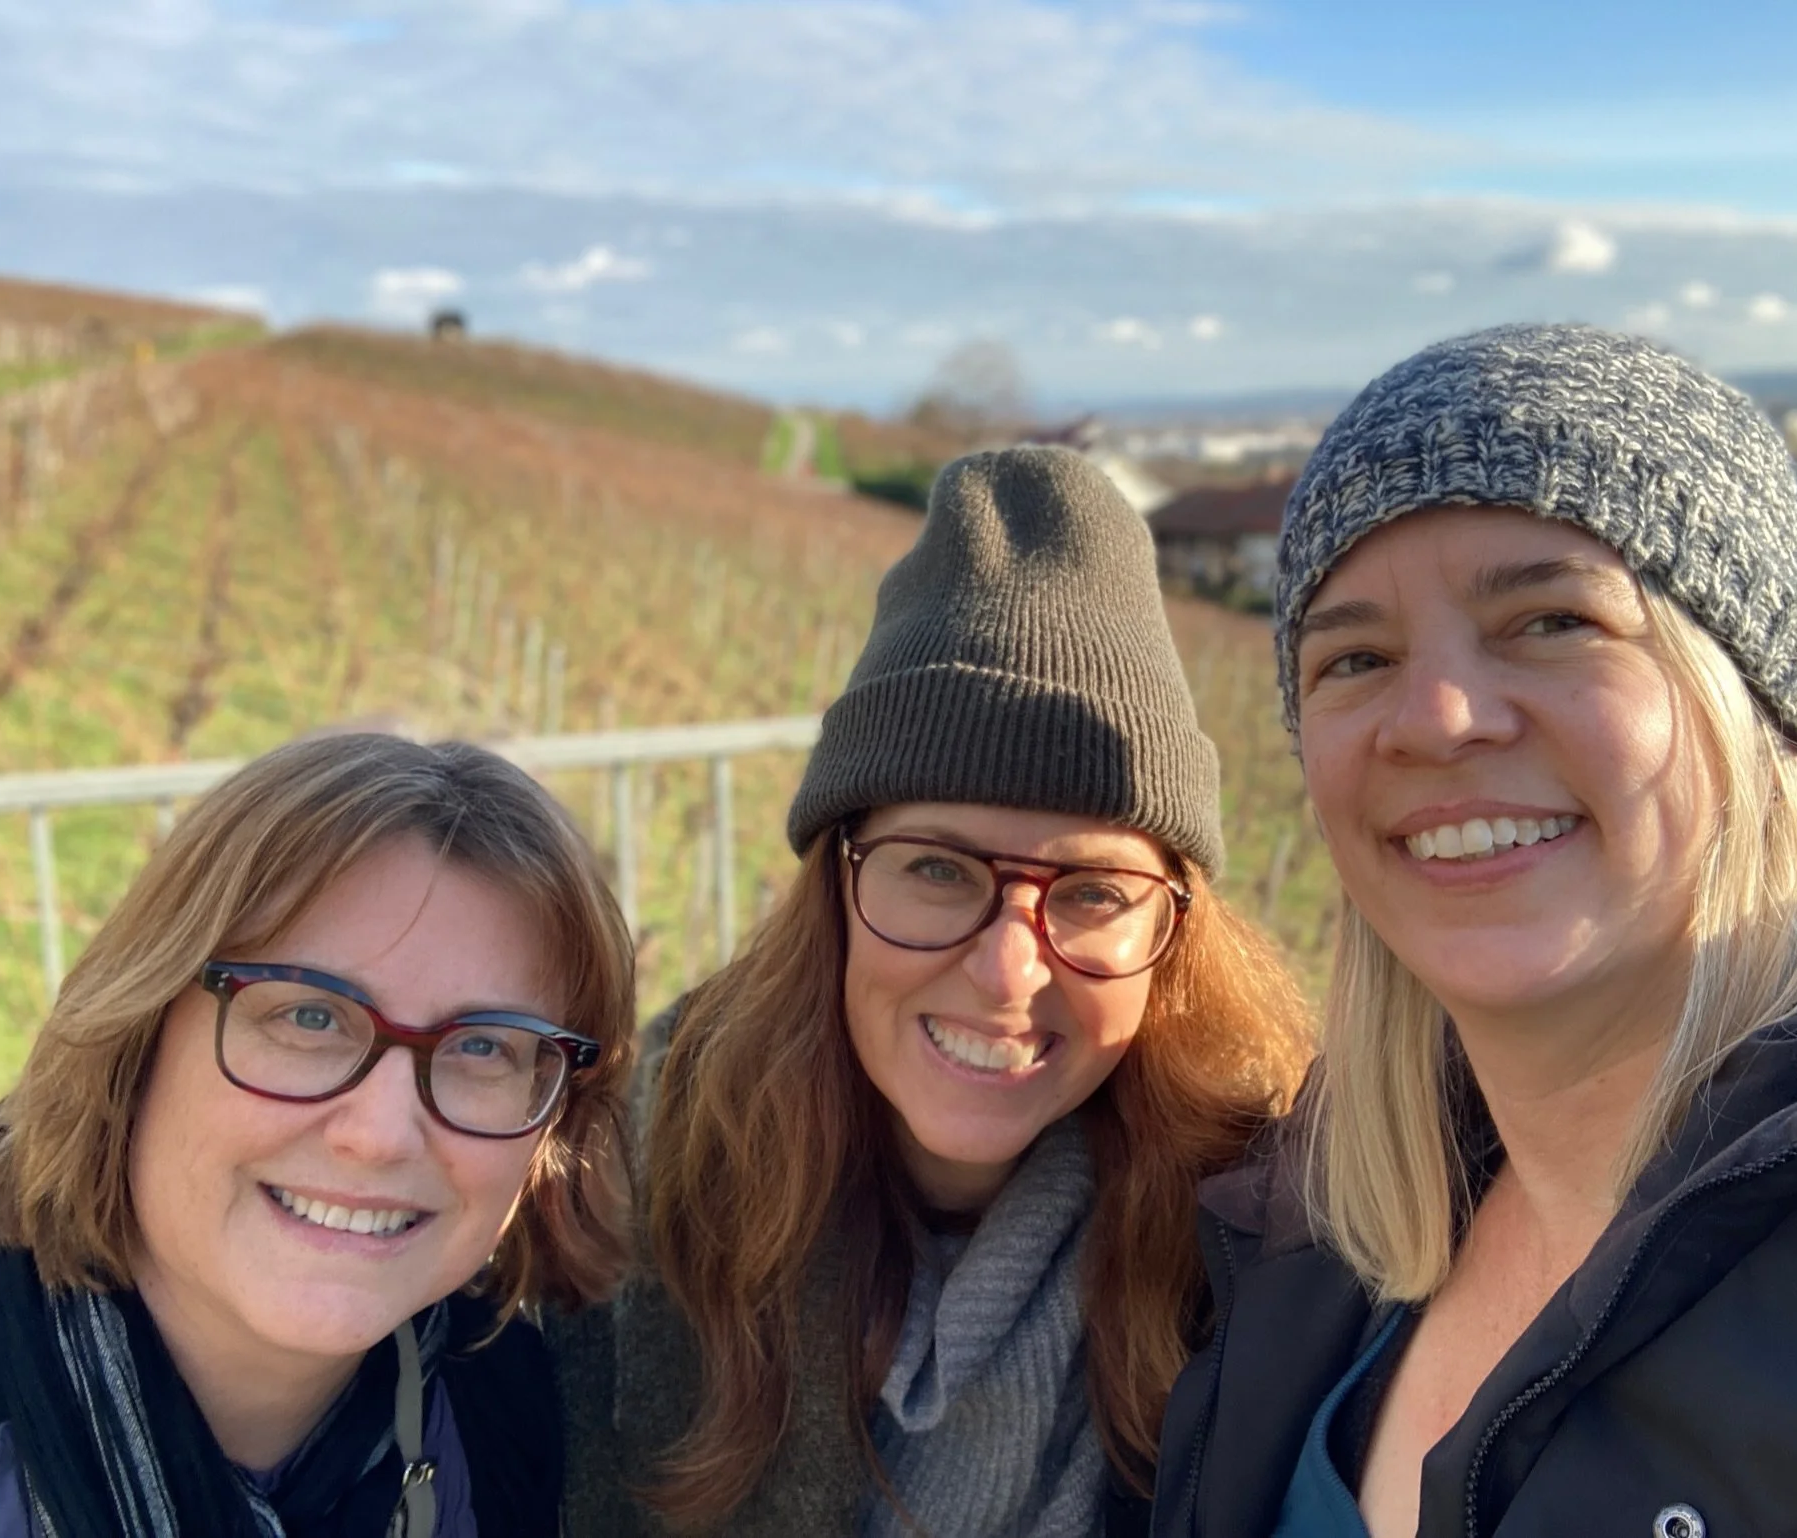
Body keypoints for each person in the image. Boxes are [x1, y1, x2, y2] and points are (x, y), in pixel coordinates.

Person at [1152, 322, 1797, 1538]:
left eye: (1550, 621)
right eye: (1355, 655)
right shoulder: (1302, 1227)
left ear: (1755, 704)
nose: (1431, 718)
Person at [552, 445, 1313, 1537]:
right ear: (835, 882)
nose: (1008, 969)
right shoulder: (632, 1182)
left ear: (1172, 929)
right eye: (938, 869)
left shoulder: (1265, 1247)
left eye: (1093, 891)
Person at [0, 732, 637, 1537]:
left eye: (483, 1046)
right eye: (308, 1016)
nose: (380, 1134)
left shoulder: (503, 1411)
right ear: (137, 1033)